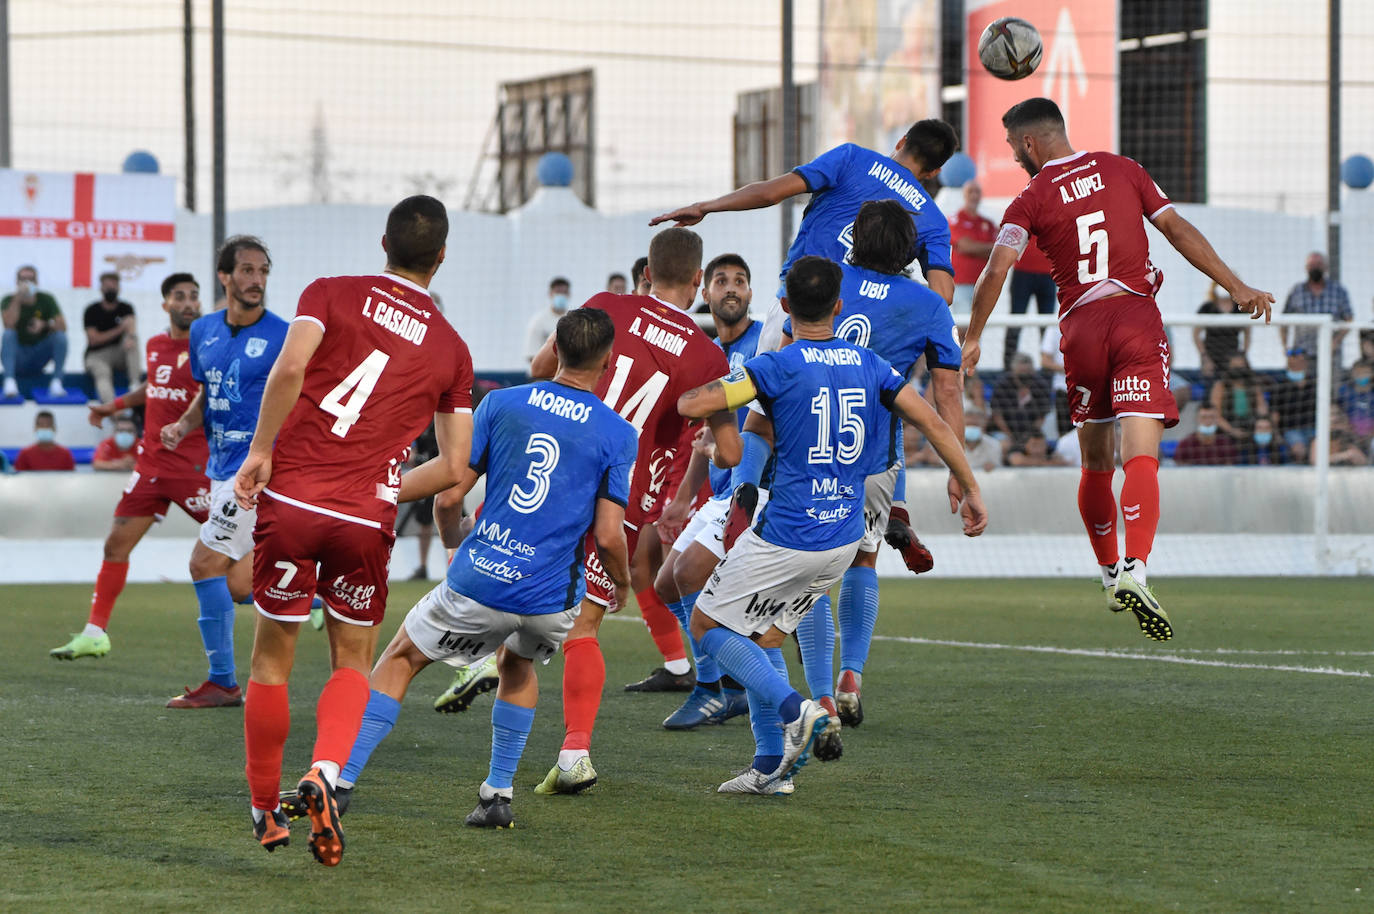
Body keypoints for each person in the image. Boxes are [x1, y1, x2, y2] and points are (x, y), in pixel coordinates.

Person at [961, 97, 1273, 639]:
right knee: (1142, 455)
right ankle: (1137, 567)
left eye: (1013, 147)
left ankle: (1108, 575)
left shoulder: (1029, 198)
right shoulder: (1123, 169)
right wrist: (1236, 286)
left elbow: (996, 269)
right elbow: (1176, 231)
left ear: (1031, 143)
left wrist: (974, 336)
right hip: (1134, 318)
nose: (1014, 157)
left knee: (1096, 461)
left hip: (1080, 331)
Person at [676, 255, 986, 795]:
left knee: (707, 625)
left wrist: (712, 396)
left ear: (787, 309)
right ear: (838, 308)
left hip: (787, 535)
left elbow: (695, 403)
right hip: (844, 538)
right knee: (764, 633)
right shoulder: (873, 366)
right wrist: (971, 484)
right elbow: (933, 419)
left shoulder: (776, 365)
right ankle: (770, 767)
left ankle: (802, 713)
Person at [327, 308, 637, 829]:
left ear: (554, 350)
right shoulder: (618, 433)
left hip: (482, 580)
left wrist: (455, 546)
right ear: (607, 362)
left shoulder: (502, 403)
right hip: (551, 601)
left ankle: (341, 782)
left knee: (401, 658)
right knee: (517, 666)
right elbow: (608, 536)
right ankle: (497, 795)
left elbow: (449, 499)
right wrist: (622, 584)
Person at [234, 195, 474, 865]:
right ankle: (326, 774)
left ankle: (263, 810)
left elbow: (288, 369)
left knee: (271, 659)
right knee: (352, 660)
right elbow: (455, 466)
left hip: (294, 498)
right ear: (442, 257)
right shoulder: (452, 348)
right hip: (364, 518)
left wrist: (260, 451)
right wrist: (384, 487)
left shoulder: (329, 292)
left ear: (383, 243)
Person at [522, 227, 735, 795]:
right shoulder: (708, 353)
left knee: (515, 592)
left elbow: (542, 370)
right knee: (586, 625)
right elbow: (731, 451)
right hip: (625, 493)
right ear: (698, 284)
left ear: (645, 273)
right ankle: (574, 755)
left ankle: (479, 669)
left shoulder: (608, 307)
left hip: (555, 471)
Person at [778, 199, 965, 738]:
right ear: (910, 248)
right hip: (875, 454)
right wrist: (957, 465)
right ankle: (851, 675)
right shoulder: (929, 304)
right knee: (863, 558)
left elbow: (789, 354)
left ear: (853, 239)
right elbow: (946, 387)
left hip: (808, 447)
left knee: (810, 572)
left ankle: (819, 697)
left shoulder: (828, 283)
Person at [651, 118, 960, 351]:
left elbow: (772, 193)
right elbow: (942, 295)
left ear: (902, 140)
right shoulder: (932, 220)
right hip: (860, 331)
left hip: (795, 307)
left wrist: (706, 207)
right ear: (934, 172)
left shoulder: (852, 158)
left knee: (763, 419)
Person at [157, 236, 289, 710]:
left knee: (203, 564)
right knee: (236, 585)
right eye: (248, 271)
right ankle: (310, 587)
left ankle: (222, 682)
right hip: (219, 469)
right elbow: (207, 393)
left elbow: (299, 402)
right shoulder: (203, 331)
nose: (257, 280)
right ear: (225, 277)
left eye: (263, 271)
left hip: (253, 474)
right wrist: (182, 425)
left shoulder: (284, 336)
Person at [49, 274, 211, 660]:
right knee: (115, 544)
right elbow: (153, 387)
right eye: (179, 297)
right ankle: (94, 632)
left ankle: (307, 601)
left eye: (193, 297)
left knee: (241, 550)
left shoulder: (209, 346)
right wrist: (113, 406)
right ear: (165, 304)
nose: (188, 303)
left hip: (193, 467)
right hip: (150, 466)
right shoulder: (155, 344)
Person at [653, 252, 763, 730]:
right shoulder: (706, 354)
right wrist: (680, 500)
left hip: (754, 490)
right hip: (721, 492)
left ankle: (713, 688)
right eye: (721, 281)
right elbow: (705, 436)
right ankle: (729, 686)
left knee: (690, 574)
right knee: (664, 583)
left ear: (751, 294)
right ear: (706, 292)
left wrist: (730, 458)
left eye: (740, 280)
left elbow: (757, 429)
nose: (731, 288)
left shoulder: (766, 342)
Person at [2, 265, 69, 398]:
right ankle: (9, 381)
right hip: (18, 357)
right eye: (23, 279)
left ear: (36, 282)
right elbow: (9, 324)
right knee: (8, 334)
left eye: (30, 279)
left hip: (39, 355)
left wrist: (45, 325)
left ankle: (57, 382)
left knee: (60, 337)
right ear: (17, 282)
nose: (27, 283)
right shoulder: (8, 300)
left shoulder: (46, 299)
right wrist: (18, 299)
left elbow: (63, 326)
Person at [1281, 252, 1351, 365]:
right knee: (1303, 383)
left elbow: (1349, 319)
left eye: (1318, 264)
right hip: (1302, 354)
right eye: (1312, 265)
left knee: (1332, 382)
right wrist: (1285, 346)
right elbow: (1283, 321)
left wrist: (1336, 341)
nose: (1315, 268)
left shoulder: (1338, 290)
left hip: (1331, 355)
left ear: (1326, 267)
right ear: (1306, 268)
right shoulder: (1296, 291)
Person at [83, 271, 141, 405]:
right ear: (101, 288)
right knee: (102, 375)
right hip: (97, 355)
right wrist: (120, 328)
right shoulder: (91, 310)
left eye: (113, 285)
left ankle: (135, 383)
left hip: (119, 354)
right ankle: (114, 412)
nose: (111, 289)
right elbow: (94, 339)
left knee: (133, 339)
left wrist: (129, 335)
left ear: (119, 288)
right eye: (107, 286)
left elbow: (131, 326)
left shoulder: (126, 308)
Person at [1004, 236, 1058, 370]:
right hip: (1023, 271)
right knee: (1015, 323)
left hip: (1048, 272)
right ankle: (1008, 371)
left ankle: (1047, 373)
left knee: (1047, 328)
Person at [949, 181, 995, 315]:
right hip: (961, 283)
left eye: (977, 192)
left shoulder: (988, 223)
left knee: (978, 328)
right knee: (963, 327)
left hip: (983, 285)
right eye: (970, 192)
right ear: (964, 195)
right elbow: (965, 247)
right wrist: (986, 248)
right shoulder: (955, 219)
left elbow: (997, 251)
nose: (974, 196)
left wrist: (975, 247)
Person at [989, 352, 1052, 447]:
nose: (1024, 375)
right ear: (1013, 371)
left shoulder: (1040, 385)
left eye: (1027, 372)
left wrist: (1029, 436)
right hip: (1003, 431)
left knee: (1037, 446)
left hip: (1031, 431)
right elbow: (997, 416)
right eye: (1021, 372)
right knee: (1005, 445)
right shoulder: (1003, 385)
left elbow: (1041, 417)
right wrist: (1010, 436)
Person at [1271, 349, 1319, 462]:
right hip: (1291, 430)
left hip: (1315, 429)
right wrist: (1276, 433)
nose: (1296, 366)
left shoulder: (1316, 383)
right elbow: (1275, 413)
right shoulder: (1280, 386)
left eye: (1300, 363)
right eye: (1292, 364)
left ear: (1306, 363)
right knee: (1299, 450)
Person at [1193, 283, 1249, 380]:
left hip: (1232, 357)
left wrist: (1243, 355)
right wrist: (1204, 357)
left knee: (1237, 382)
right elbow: (1196, 334)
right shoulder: (1208, 307)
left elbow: (1248, 333)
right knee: (1211, 384)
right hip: (1211, 356)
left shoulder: (1240, 308)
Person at [1208, 353, 1268, 440]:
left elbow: (1261, 409)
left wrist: (1261, 423)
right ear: (1228, 368)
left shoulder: (1254, 386)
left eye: (1241, 366)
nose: (1239, 370)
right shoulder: (1220, 386)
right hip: (1226, 428)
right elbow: (1216, 415)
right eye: (1235, 367)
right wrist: (1231, 430)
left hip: (1250, 427)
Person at [525, 277, 570, 366]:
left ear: (569, 294)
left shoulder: (572, 319)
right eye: (558, 292)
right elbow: (531, 355)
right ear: (550, 294)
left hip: (566, 374)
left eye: (564, 293)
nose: (561, 296)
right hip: (543, 375)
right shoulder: (539, 321)